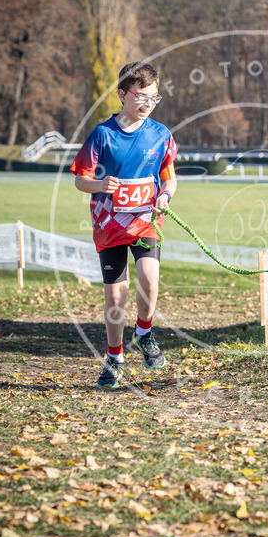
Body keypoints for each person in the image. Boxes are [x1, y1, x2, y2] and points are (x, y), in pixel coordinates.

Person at [71, 62, 177, 387]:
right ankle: (114, 358)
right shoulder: (103, 135)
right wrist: (101, 186)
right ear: (122, 95)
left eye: (154, 98)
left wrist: (165, 196)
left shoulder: (160, 134)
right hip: (109, 227)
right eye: (140, 96)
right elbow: (80, 181)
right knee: (115, 297)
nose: (147, 103)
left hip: (146, 222)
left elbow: (169, 178)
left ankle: (144, 332)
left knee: (149, 279)